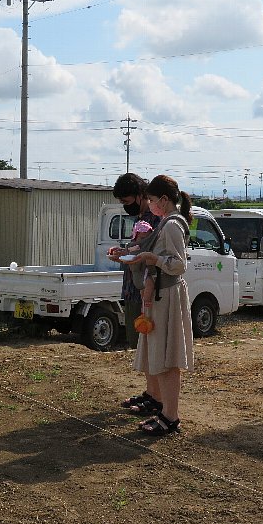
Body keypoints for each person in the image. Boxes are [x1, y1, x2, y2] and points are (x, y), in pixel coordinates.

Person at [124, 175, 194, 436]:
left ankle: (170, 416)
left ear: (164, 200)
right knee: (162, 356)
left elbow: (178, 264)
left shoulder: (173, 225)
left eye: (152, 200)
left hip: (170, 294)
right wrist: (141, 256)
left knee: (168, 358)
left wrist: (153, 259)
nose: (150, 205)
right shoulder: (166, 222)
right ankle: (165, 411)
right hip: (162, 295)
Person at [108, 174, 160, 349]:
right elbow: (138, 249)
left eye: (126, 201)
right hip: (132, 289)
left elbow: (149, 253)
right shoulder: (140, 219)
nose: (125, 206)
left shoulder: (156, 219)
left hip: (146, 292)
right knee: (137, 345)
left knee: (146, 346)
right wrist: (123, 252)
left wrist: (126, 253)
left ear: (140, 194)